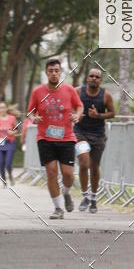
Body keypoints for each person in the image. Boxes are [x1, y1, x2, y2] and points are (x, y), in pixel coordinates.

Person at [27, 58, 83, 219]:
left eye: (56, 70)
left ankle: (66, 192)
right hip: (45, 138)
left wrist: (77, 115)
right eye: (50, 71)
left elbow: (79, 106)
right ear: (46, 73)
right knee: (51, 172)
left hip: (66, 138)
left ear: (60, 72)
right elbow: (30, 111)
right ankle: (58, 209)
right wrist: (33, 118)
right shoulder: (38, 92)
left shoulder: (69, 90)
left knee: (68, 174)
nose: (53, 73)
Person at [75, 68, 115, 212]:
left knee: (94, 167)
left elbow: (112, 113)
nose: (94, 78)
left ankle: (93, 198)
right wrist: (76, 115)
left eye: (97, 77)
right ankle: (85, 195)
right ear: (87, 78)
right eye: (91, 76)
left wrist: (98, 116)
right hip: (80, 133)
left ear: (100, 80)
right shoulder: (78, 92)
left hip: (98, 135)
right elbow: (69, 108)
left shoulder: (106, 96)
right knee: (84, 162)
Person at [0, 101, 18, 186]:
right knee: (1, 163)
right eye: (0, 108)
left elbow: (16, 129)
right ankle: (4, 180)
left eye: (3, 107)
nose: (2, 109)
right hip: (0, 143)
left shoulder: (12, 118)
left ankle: (10, 175)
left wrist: (12, 132)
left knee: (7, 163)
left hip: (10, 142)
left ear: (6, 108)